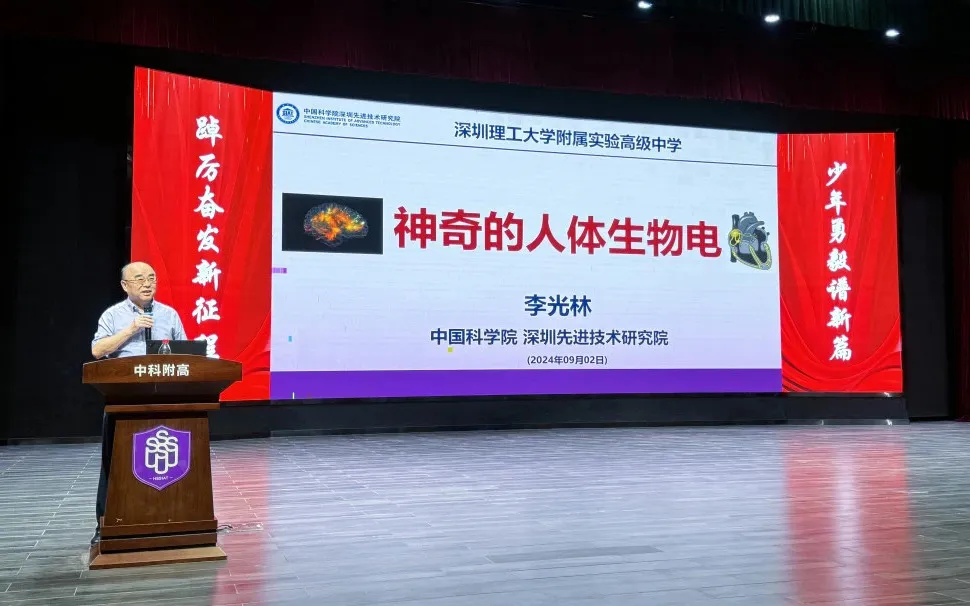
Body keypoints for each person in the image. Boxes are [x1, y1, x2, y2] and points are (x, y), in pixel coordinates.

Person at [89, 261, 187, 544]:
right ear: (125, 286)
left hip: (166, 401)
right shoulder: (113, 315)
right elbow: (97, 351)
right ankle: (105, 524)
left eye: (152, 278)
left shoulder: (169, 314)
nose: (147, 284)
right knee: (114, 464)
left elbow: (187, 353)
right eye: (140, 279)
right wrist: (131, 329)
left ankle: (171, 519)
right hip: (124, 400)